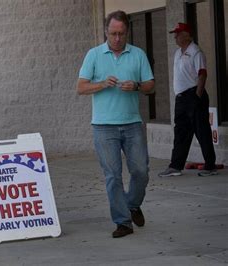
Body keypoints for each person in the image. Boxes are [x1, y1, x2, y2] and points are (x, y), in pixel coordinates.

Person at [77, 10, 155, 238]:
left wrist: (138, 86)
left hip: (132, 124)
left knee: (141, 171)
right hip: (103, 127)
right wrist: (101, 84)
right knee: (113, 175)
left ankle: (132, 205)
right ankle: (123, 222)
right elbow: (81, 87)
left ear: (127, 32)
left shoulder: (138, 54)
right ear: (106, 32)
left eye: (121, 34)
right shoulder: (93, 55)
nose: (117, 38)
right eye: (113, 34)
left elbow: (151, 85)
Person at [158, 23, 217, 178]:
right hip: (181, 98)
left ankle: (210, 165)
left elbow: (202, 74)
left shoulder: (196, 52)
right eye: (175, 34)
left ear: (187, 35)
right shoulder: (178, 53)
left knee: (201, 131)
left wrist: (197, 96)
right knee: (181, 133)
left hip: (193, 95)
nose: (175, 36)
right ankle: (175, 166)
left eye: (178, 33)